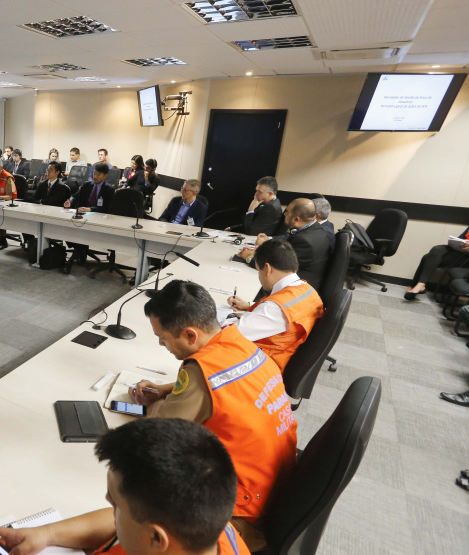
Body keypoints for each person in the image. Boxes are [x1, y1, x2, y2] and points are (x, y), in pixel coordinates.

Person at [130, 281, 297, 551]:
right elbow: (227, 383)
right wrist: (170, 389)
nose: (161, 344)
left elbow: (157, 434)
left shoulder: (200, 371)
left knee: (134, 502)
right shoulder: (240, 343)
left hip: (240, 514)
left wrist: (156, 404)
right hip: (275, 489)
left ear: (190, 335)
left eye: (163, 337)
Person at [0, 419, 251, 555]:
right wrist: (47, 533)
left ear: (156, 538)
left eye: (115, 503)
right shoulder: (204, 526)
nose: (108, 503)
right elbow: (120, 522)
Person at [226, 239, 324, 371]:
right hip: (285, 355)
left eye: (258, 271)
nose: (259, 277)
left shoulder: (274, 309)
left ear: (267, 269)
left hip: (263, 368)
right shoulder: (307, 290)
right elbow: (287, 309)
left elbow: (226, 336)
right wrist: (249, 305)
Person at [242, 198, 331, 292]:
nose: (284, 214)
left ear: (296, 219)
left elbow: (278, 268)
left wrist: (249, 257)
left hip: (296, 290)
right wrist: (266, 244)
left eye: (287, 212)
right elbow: (288, 240)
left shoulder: (305, 241)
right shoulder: (315, 229)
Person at [63, 163, 115, 270]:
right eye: (94, 173)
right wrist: (70, 202)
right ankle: (80, 251)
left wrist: (90, 209)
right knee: (68, 228)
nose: (95, 176)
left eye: (98, 174)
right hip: (83, 217)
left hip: (98, 219)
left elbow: (106, 208)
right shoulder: (87, 185)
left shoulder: (109, 189)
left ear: (105, 176)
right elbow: (75, 196)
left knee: (82, 234)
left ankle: (71, 260)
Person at [405, 225, 469, 300]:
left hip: (466, 259)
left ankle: (415, 285)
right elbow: (460, 239)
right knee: (436, 250)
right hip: (460, 253)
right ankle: (420, 285)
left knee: (427, 257)